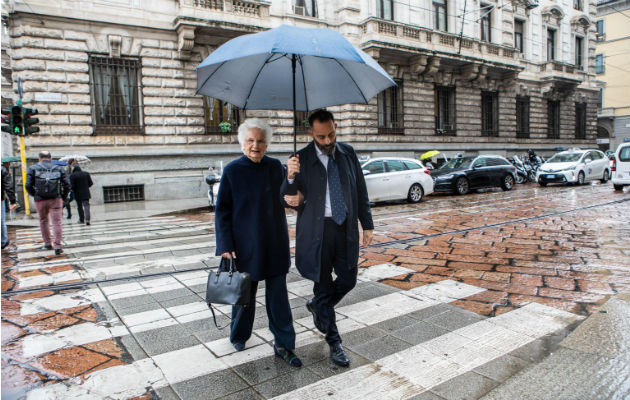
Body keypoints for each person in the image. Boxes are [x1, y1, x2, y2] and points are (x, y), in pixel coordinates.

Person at [281, 109, 374, 367]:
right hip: (316, 233)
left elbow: (360, 190)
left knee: (349, 278)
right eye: (321, 137)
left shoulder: (348, 153)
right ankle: (335, 343)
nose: (327, 141)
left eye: (331, 134)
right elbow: (287, 197)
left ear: (335, 128)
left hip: (345, 229)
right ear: (311, 133)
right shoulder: (299, 158)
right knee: (322, 285)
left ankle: (318, 305)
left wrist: (367, 224)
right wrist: (290, 176)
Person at [214, 118, 302, 367]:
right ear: (243, 143)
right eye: (251, 140)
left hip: (274, 242)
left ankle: (284, 344)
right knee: (244, 296)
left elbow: (289, 199)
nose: (256, 145)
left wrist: (292, 176)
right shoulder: (232, 170)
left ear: (267, 144)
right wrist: (224, 245)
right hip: (244, 245)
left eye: (261, 141)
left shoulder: (276, 167)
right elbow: (222, 211)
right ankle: (239, 335)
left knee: (278, 299)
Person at [25, 151, 71, 255]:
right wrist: (63, 196)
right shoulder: (58, 168)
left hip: (39, 200)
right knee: (57, 222)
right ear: (50, 158)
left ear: (39, 158)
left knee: (43, 221)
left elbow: (27, 185)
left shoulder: (32, 168)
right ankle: (58, 246)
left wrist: (35, 194)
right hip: (55, 199)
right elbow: (67, 184)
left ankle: (47, 244)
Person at [2, 165, 19, 249]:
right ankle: (3, 241)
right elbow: (8, 186)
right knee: (1, 221)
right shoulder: (2, 170)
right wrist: (13, 201)